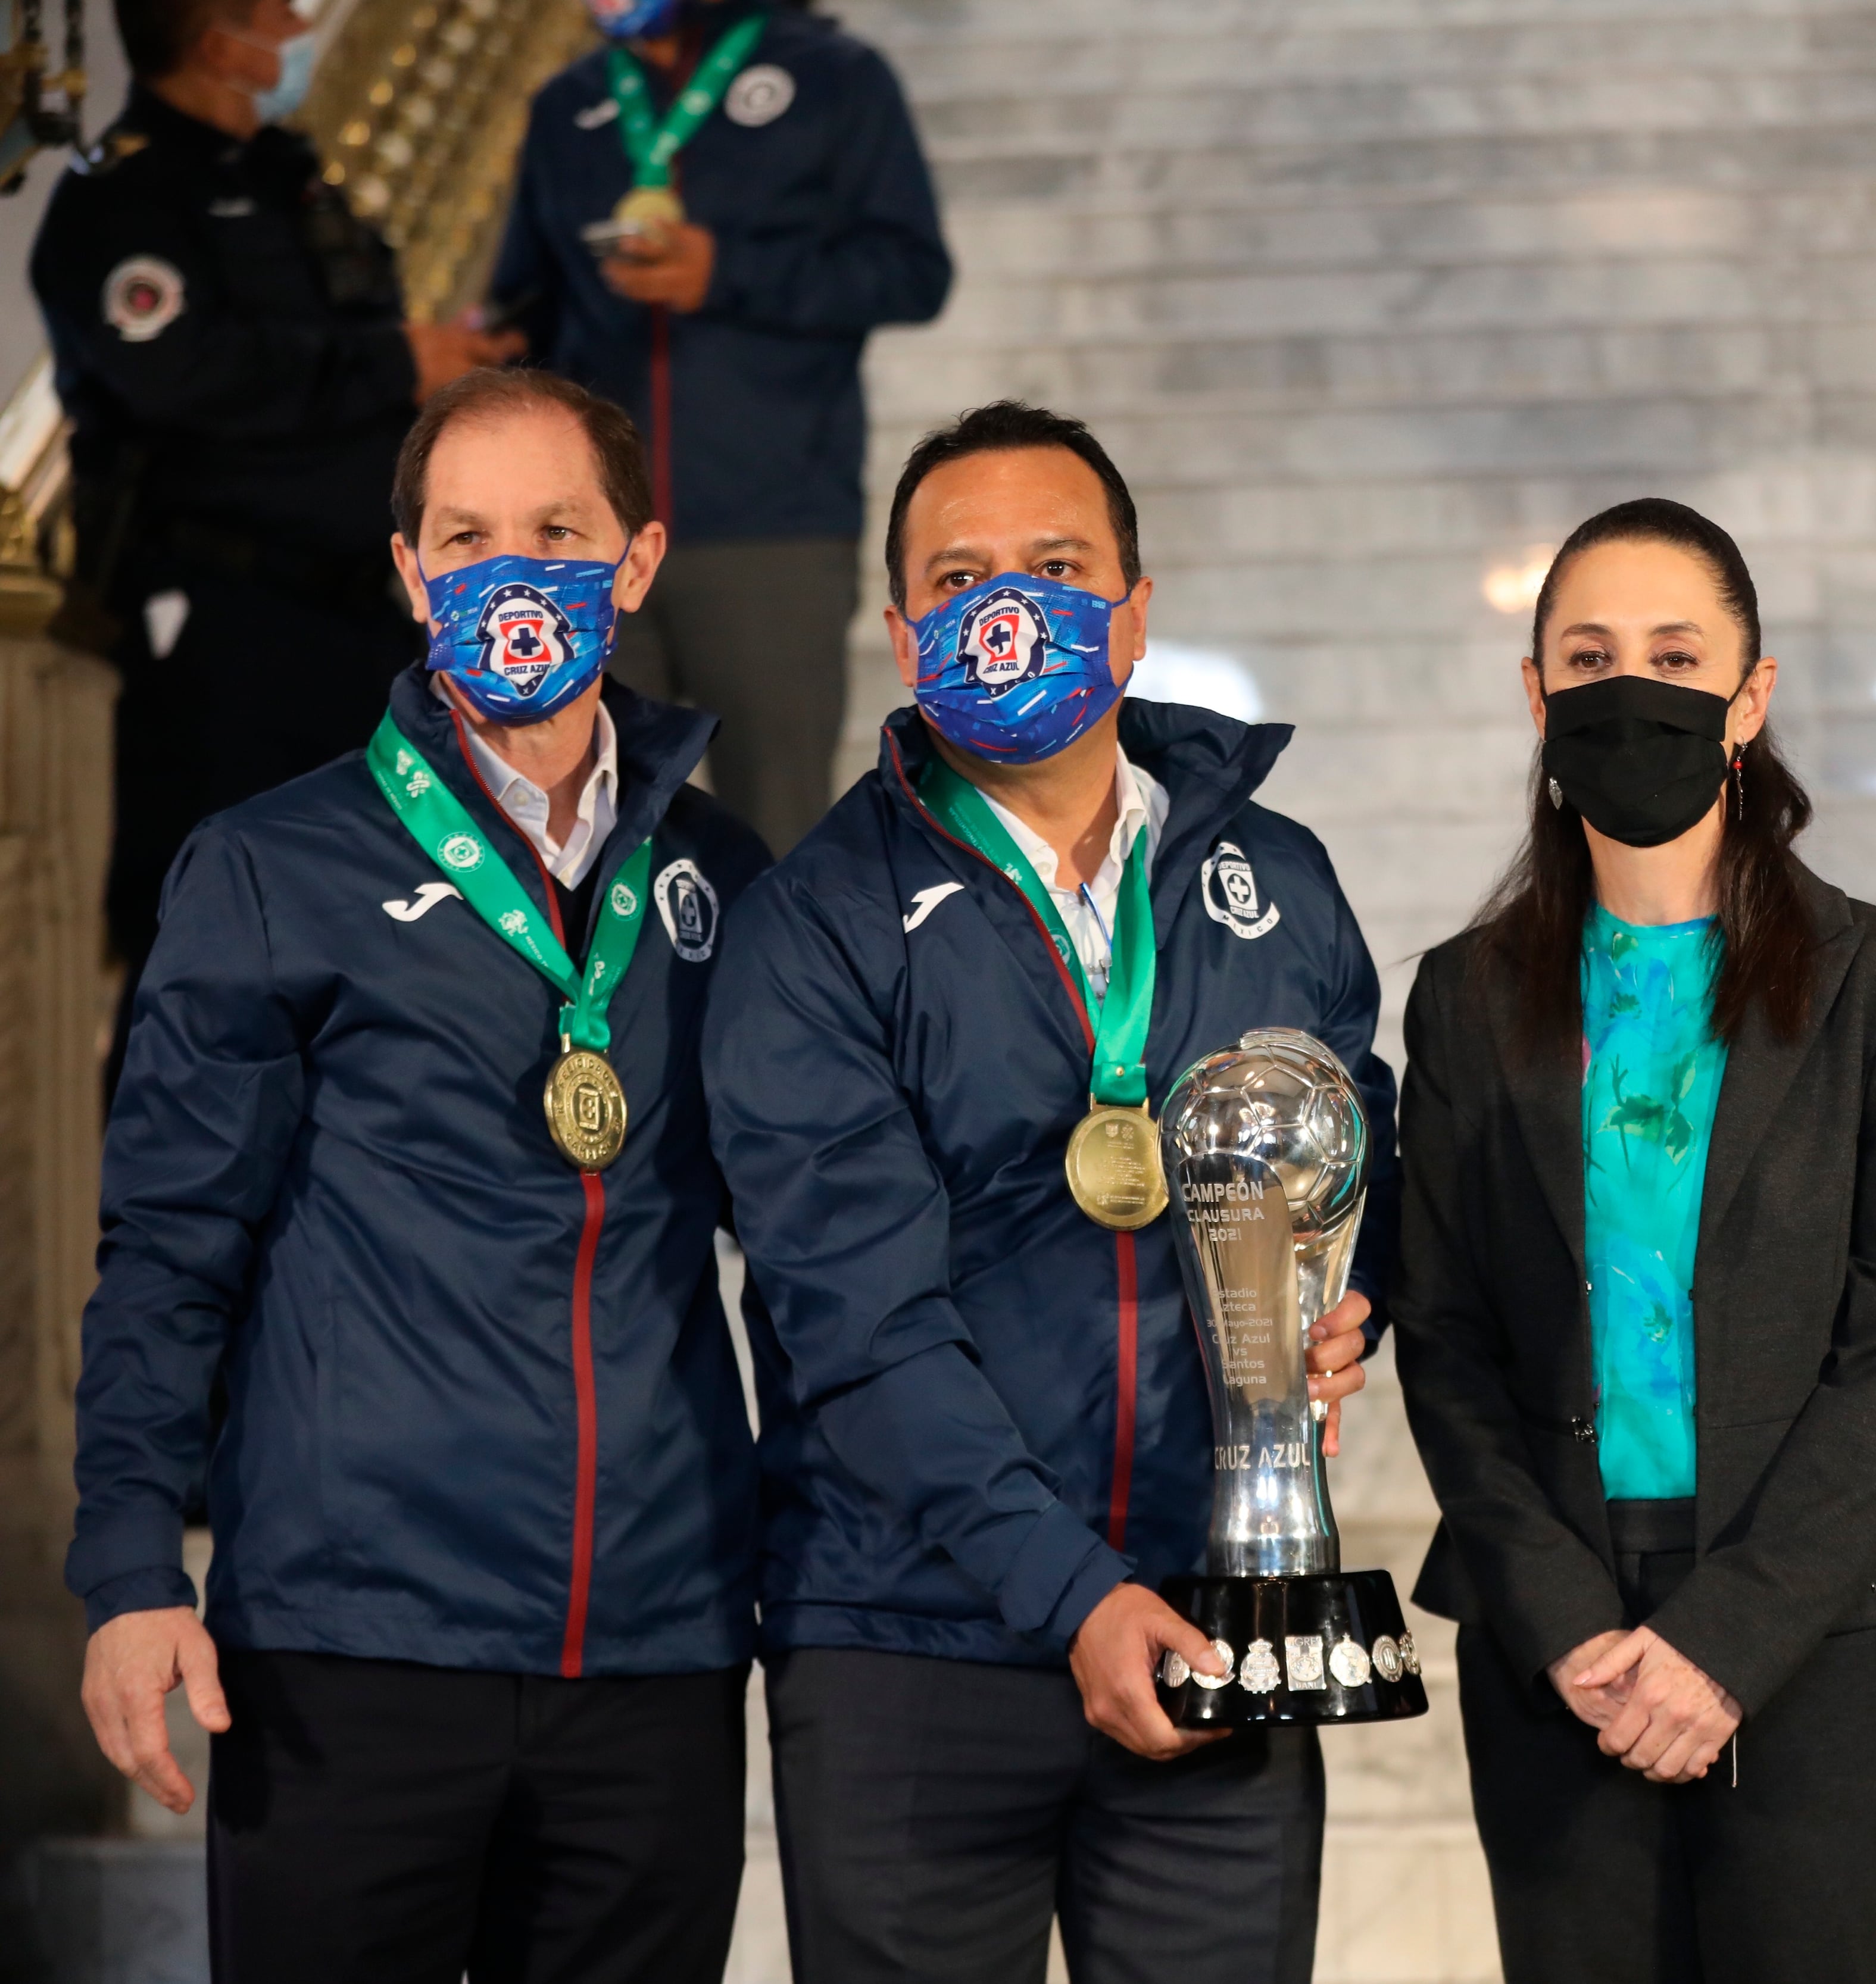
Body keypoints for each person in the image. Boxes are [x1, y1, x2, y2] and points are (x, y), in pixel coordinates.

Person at [65, 368, 769, 1984]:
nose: (508, 572)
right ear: (408, 575)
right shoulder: (269, 866)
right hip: (349, 1643)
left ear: (639, 559)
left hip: (653, 1650)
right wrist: (123, 1566)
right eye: (466, 536)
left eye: (557, 530)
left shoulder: (726, 880)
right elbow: (171, 1248)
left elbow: (823, 1245)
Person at [703, 399, 1396, 1982]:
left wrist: (1357, 1291)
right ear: (899, 631)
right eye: (961, 575)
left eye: (1058, 563)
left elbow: (1364, 1128)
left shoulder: (1272, 874)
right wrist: (1072, 1593)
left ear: (1138, 610)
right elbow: (852, 1319)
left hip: (1225, 1605)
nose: (1007, 603)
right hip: (906, 1641)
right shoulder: (813, 922)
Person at [1390, 498, 1876, 1982]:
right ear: (1536, 697)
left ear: (1750, 693)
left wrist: (1726, 1633)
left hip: (1820, 1624)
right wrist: (1567, 1620)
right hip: (1560, 1643)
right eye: (1587, 655)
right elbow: (1447, 1337)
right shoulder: (1465, 995)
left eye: (1673, 651)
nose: (1627, 686)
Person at [32, 0, 518, 1086]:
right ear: (216, 37)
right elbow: (179, 371)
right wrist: (390, 366)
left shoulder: (294, 175)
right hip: (219, 629)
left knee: (381, 930)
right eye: (275, 13)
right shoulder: (124, 200)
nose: (301, 26)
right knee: (216, 943)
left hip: (356, 620)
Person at [494, 0, 951, 855]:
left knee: (777, 833)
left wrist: (729, 273)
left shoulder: (834, 76)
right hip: (592, 541)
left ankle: (789, 997)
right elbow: (529, 298)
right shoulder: (568, 102)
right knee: (584, 834)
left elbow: (911, 271)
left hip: (772, 524)